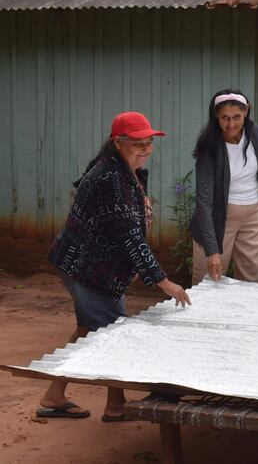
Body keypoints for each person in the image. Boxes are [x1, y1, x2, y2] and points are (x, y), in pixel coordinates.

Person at [41, 112, 191, 421]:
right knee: (114, 333)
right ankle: (115, 405)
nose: (145, 149)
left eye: (149, 142)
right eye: (138, 143)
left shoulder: (126, 171)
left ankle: (56, 395)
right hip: (85, 267)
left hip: (96, 268)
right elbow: (130, 236)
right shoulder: (110, 178)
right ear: (118, 143)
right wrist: (164, 282)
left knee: (92, 330)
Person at [191, 89, 258, 285]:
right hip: (219, 215)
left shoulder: (255, 133)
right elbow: (204, 201)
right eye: (225, 118)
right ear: (216, 117)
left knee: (253, 279)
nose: (231, 124)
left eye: (236, 117)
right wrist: (212, 251)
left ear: (246, 111)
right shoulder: (209, 145)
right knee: (208, 279)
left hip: (254, 213)